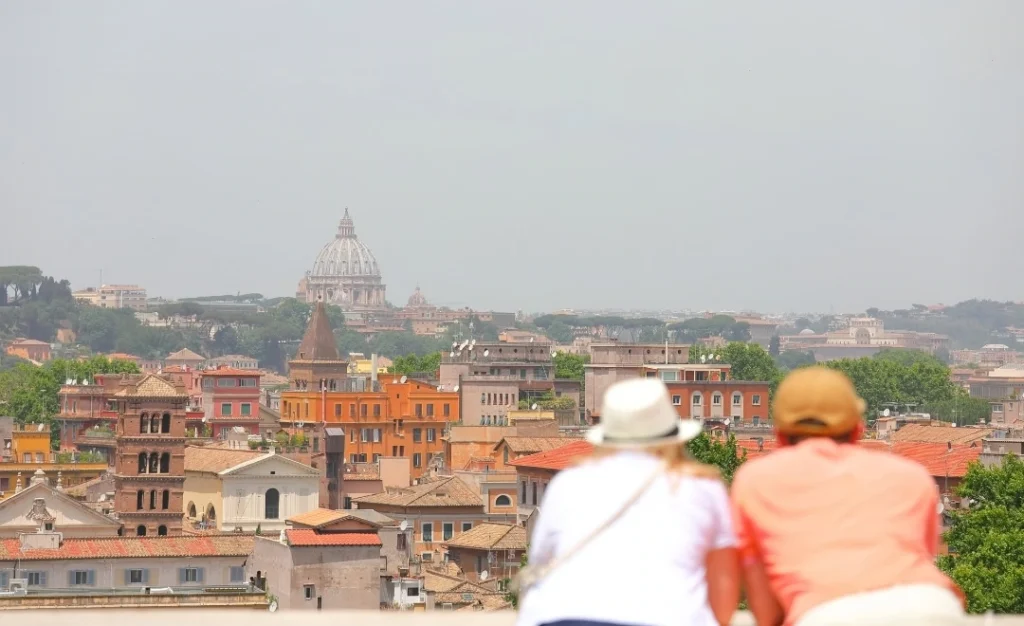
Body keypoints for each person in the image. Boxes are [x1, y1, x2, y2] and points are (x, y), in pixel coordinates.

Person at [731, 367, 966, 626]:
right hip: (933, 607)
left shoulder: (756, 481)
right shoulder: (912, 477)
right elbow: (921, 558)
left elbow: (765, 607)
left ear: (779, 435)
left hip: (827, 614)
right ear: (858, 429)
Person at [516, 377, 739, 626]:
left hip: (564, 617)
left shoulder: (568, 482)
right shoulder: (702, 488)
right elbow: (724, 587)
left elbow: (539, 563)